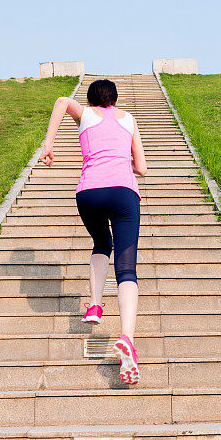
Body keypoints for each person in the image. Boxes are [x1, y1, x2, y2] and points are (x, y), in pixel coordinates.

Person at [39, 79, 147, 385]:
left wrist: (49, 145)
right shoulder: (129, 119)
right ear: (115, 98)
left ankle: (96, 304)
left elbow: (61, 101)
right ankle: (127, 337)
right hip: (124, 193)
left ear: (90, 100)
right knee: (127, 270)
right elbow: (142, 167)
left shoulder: (84, 115)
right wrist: (122, 159)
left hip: (88, 192)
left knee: (102, 241)